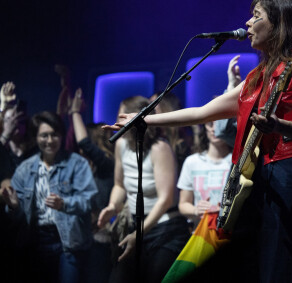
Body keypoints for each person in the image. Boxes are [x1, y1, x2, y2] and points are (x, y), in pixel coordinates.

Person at [104, 0, 292, 282]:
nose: (248, 22)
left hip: (288, 178)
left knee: (281, 266)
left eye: (257, 15)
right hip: (254, 181)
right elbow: (203, 112)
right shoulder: (257, 77)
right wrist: (143, 119)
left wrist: (278, 125)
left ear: (279, 24)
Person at [97, 95, 190, 283]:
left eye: (123, 116)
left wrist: (138, 232)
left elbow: (166, 199)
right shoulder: (121, 145)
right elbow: (119, 185)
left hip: (165, 229)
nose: (118, 120)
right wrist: (113, 206)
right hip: (136, 228)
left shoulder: (159, 148)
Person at [2, 111, 98, 283]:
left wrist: (64, 204)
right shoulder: (25, 169)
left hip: (69, 241)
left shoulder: (76, 163)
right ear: (36, 137)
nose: (50, 140)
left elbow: (88, 200)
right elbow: (15, 212)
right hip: (36, 240)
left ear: (61, 135)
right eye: (44, 135)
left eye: (54, 135)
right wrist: (14, 205)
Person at [69, 87, 116, 283]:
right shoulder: (90, 169)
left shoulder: (107, 164)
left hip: (103, 239)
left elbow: (84, 144)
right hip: (86, 238)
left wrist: (75, 112)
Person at [177, 119, 232, 231]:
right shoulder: (192, 162)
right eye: (211, 123)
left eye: (220, 124)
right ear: (205, 126)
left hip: (231, 234)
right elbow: (183, 204)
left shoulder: (236, 161)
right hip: (202, 234)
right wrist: (196, 210)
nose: (214, 128)